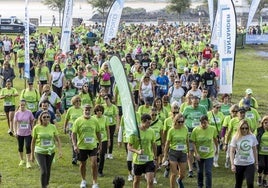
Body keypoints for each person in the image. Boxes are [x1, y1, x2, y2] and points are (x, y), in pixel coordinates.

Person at [72, 104, 102, 188]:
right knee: (82, 164)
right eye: (86, 110)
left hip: (93, 146)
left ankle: (95, 182)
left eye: (89, 110)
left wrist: (100, 143)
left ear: (91, 111)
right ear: (83, 111)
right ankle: (83, 180)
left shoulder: (95, 121)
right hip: (82, 146)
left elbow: (98, 133)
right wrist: (74, 145)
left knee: (94, 163)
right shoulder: (78, 121)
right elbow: (73, 134)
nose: (87, 112)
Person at [31, 111, 62, 188]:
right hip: (39, 151)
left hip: (50, 151)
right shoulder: (36, 128)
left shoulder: (53, 127)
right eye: (44, 117)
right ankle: (43, 186)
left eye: (48, 117)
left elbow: (58, 139)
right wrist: (32, 155)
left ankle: (46, 184)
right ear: (41, 118)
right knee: (44, 171)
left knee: (48, 170)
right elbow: (33, 142)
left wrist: (60, 151)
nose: (46, 118)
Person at [127, 113, 157, 188]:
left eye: (150, 123)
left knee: (150, 181)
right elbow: (129, 146)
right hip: (138, 161)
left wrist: (155, 157)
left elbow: (154, 144)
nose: (149, 124)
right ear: (143, 121)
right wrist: (137, 152)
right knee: (137, 180)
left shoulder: (151, 131)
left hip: (149, 159)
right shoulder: (135, 132)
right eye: (148, 123)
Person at [191, 115, 218, 188]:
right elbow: (193, 142)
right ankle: (200, 185)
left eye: (205, 123)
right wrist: (196, 154)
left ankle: (208, 186)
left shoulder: (213, 129)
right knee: (200, 171)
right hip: (199, 154)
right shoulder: (195, 130)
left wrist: (217, 149)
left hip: (209, 154)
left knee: (208, 172)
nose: (203, 124)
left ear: (208, 122)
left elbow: (215, 139)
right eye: (202, 123)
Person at [162, 113, 189, 188]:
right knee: (174, 173)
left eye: (182, 122)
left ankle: (179, 180)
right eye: (179, 122)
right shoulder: (171, 130)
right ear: (175, 121)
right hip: (173, 153)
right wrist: (165, 156)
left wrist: (188, 152)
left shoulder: (185, 129)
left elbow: (187, 141)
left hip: (183, 153)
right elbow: (167, 144)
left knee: (183, 174)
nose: (181, 123)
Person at [230, 119, 258, 188]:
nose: (244, 130)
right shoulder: (235, 137)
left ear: (248, 128)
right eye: (242, 128)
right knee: (238, 184)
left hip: (250, 163)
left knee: (250, 183)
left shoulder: (252, 137)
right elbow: (232, 151)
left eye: (246, 128)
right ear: (239, 128)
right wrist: (232, 164)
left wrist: (256, 163)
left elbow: (255, 150)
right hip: (238, 164)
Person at [13, 100, 35, 168]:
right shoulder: (17, 113)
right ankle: (22, 160)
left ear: (25, 105)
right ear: (19, 105)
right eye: (21, 105)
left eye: (23, 105)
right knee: (20, 147)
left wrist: (32, 129)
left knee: (28, 146)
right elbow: (15, 123)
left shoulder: (29, 112)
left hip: (28, 132)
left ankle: (28, 162)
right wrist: (15, 131)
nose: (22, 106)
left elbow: (32, 121)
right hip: (20, 133)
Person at [64, 96, 83, 165]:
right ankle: (74, 157)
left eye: (79, 101)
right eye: (76, 101)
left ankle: (78, 156)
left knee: (79, 143)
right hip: (71, 129)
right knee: (73, 143)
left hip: (80, 130)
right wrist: (65, 127)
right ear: (73, 102)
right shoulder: (70, 109)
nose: (78, 102)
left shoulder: (82, 110)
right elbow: (66, 119)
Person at [93, 104, 110, 177]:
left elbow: (107, 129)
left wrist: (109, 139)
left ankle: (100, 171)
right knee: (95, 155)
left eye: (100, 111)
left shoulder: (105, 118)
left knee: (102, 155)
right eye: (97, 111)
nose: (99, 112)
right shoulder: (93, 118)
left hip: (104, 139)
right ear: (95, 112)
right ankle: (95, 168)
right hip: (95, 140)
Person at [103, 94, 119, 159]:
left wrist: (117, 126)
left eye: (106, 98)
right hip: (104, 125)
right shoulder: (103, 106)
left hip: (112, 125)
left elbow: (117, 117)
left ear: (110, 99)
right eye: (104, 99)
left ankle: (110, 153)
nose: (105, 100)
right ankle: (105, 153)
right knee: (105, 138)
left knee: (111, 138)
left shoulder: (114, 107)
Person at [256, 116, 268, 187]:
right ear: (262, 123)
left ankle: (265, 180)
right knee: (261, 166)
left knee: (267, 167)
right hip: (260, 152)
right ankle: (259, 177)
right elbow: (254, 139)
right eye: (265, 122)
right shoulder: (258, 130)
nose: (267, 124)